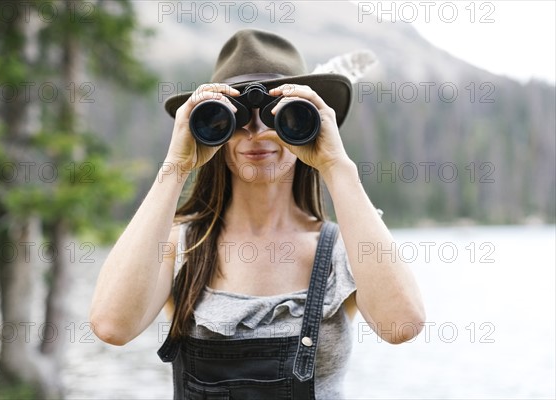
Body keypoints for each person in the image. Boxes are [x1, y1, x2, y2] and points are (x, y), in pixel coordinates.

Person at [90, 29, 425, 399]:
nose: (257, 132)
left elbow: (402, 325)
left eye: (281, 115)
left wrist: (336, 165)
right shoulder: (181, 245)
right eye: (234, 118)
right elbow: (111, 326)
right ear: (212, 129)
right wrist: (176, 166)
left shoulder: (342, 250)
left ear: (308, 123)